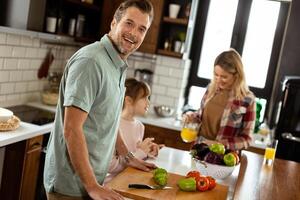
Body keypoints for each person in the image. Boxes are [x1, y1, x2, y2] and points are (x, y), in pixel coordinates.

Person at [43, 1, 155, 200]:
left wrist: (127, 156)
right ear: (113, 23)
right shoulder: (91, 62)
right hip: (71, 185)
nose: (134, 33)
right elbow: (72, 129)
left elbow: (108, 120)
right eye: (129, 23)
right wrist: (92, 186)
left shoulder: (117, 63)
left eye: (141, 29)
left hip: (90, 182)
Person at [184, 49, 256, 151]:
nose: (218, 80)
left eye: (224, 77)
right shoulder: (211, 89)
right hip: (198, 150)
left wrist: (219, 144)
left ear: (236, 75)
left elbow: (247, 139)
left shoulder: (247, 99)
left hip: (223, 158)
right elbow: (202, 116)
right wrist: (192, 116)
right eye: (216, 75)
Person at [104, 78, 164, 184]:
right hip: (112, 184)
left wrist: (148, 150)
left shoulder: (140, 126)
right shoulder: (113, 125)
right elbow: (111, 167)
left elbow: (134, 153)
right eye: (144, 98)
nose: (148, 102)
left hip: (130, 180)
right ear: (128, 100)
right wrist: (141, 152)